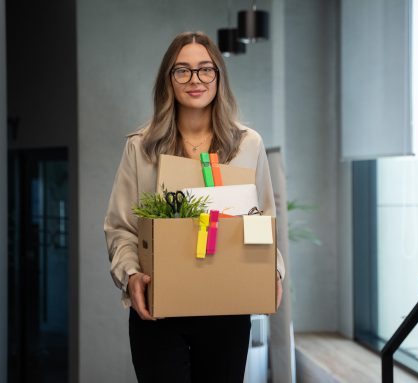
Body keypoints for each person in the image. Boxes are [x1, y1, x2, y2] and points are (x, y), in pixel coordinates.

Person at [104, 31, 285, 382]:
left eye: (205, 69)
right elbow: (121, 227)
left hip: (227, 309)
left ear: (219, 76)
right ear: (168, 80)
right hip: (159, 311)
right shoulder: (141, 147)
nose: (195, 79)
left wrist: (272, 269)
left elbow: (263, 219)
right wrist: (130, 276)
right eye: (182, 70)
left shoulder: (249, 144)